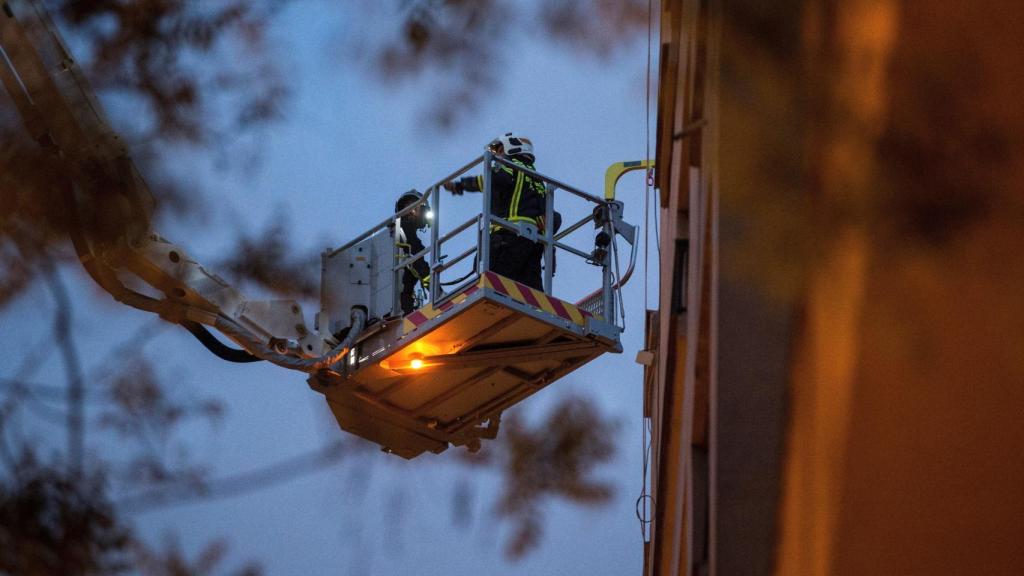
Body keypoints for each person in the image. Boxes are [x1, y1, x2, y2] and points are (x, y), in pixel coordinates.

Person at [443, 133, 548, 291]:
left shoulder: (511, 166)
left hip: (509, 235)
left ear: (511, 148)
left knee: (494, 284)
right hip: (533, 242)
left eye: (499, 150)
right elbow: (550, 215)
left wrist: (460, 186)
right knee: (531, 291)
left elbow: (492, 180)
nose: (498, 155)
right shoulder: (539, 180)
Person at [394, 189, 432, 314]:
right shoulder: (402, 229)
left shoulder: (401, 234)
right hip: (396, 302)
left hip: (399, 302)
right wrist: (433, 285)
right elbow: (415, 258)